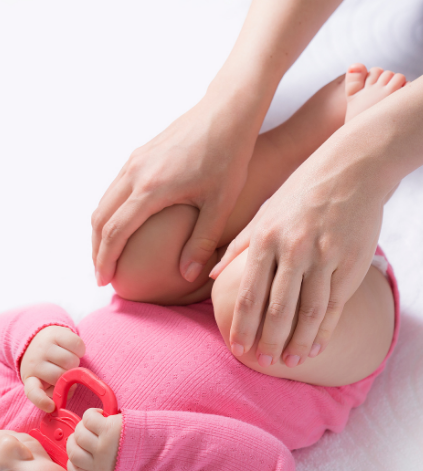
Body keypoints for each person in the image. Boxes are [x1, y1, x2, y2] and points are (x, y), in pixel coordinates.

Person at [0, 67, 401, 471]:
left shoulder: (2, 419)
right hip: (318, 328)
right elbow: (265, 470)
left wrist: (33, 341)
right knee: (241, 302)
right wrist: (139, 449)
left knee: (136, 257)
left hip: (198, 282)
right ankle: (360, 171)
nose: (8, 447)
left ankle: (300, 145)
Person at [91, 0, 423, 369]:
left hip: (296, 306)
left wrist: (369, 159)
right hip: (286, 305)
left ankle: (327, 152)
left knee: (241, 297)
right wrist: (229, 102)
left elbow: (17, 333)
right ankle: (299, 156)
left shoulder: (31, 402)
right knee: (139, 258)